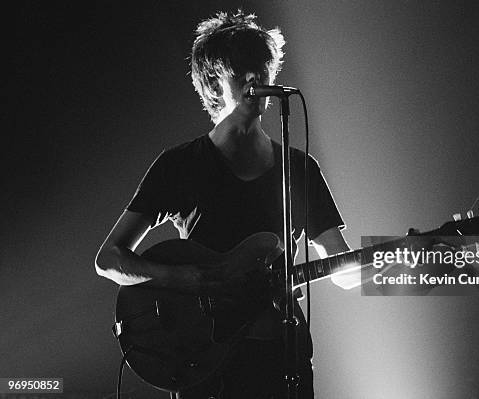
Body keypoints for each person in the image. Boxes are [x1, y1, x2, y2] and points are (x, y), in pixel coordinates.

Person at [95, 10, 351, 398]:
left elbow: (341, 266)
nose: (254, 79)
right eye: (241, 70)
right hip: (203, 360)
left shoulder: (299, 168)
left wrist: (402, 256)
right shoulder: (180, 165)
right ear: (214, 83)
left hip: (281, 356)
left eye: (261, 69)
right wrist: (181, 278)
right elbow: (110, 259)